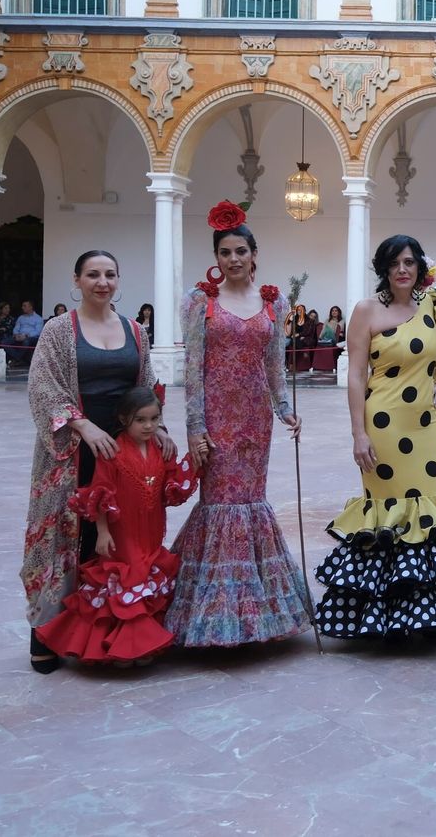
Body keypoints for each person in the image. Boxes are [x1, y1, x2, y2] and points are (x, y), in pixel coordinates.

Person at [314, 235, 436, 638]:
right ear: (384, 268)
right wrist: (358, 433)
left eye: (409, 262)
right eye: (394, 263)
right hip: (384, 425)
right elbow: (356, 375)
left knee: (431, 508)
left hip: (426, 427)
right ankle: (388, 614)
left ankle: (427, 614)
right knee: (390, 512)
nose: (402, 270)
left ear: (419, 268)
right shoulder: (366, 310)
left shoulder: (432, 305)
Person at [22, 250, 176, 674]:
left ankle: (104, 637)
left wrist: (157, 428)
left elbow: (145, 385)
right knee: (63, 538)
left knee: (113, 541)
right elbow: (42, 386)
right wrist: (83, 425)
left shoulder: (135, 330)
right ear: (77, 280)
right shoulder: (58, 330)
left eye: (110, 274)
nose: (102, 282)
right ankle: (46, 634)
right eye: (93, 274)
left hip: (123, 452)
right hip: (70, 452)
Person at [169, 203, 311, 648]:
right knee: (218, 503)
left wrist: (284, 407)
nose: (233, 259)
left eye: (241, 251)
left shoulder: (274, 302)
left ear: (254, 255)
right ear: (216, 257)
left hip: (254, 420)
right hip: (215, 419)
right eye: (225, 252)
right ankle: (212, 611)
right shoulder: (200, 301)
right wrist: (195, 427)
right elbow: (193, 368)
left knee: (251, 499)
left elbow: (273, 363)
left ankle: (256, 610)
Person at [36, 387, 198, 665]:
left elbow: (172, 488)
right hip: (122, 533)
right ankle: (122, 645)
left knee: (146, 574)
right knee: (127, 578)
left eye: (154, 419)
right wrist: (103, 532)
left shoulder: (162, 449)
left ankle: (144, 643)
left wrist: (195, 461)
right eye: (140, 420)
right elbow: (101, 492)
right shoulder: (112, 452)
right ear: (124, 419)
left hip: (150, 531)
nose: (148, 426)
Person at [9, 300, 45, 367]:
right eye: (23, 306)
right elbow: (16, 328)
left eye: (24, 306)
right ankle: (19, 359)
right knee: (4, 342)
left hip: (31, 337)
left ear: (30, 307)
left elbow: (38, 331)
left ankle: (17, 359)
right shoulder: (21, 318)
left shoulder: (38, 318)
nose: (22, 308)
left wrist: (26, 335)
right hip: (19, 336)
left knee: (26, 341)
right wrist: (16, 334)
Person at [286, 304, 319, 373]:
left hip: (308, 338)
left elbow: (308, 331)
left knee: (296, 343)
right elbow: (292, 330)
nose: (300, 311)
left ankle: (292, 364)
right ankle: (303, 352)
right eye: (298, 310)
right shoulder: (294, 319)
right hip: (297, 338)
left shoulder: (308, 320)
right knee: (294, 342)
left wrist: (299, 335)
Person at [314, 305, 345, 372]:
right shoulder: (327, 320)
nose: (334, 312)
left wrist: (333, 325)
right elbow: (323, 330)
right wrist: (320, 337)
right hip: (325, 337)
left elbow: (339, 330)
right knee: (325, 329)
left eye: (336, 311)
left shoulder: (341, 321)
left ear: (339, 312)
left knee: (328, 329)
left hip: (335, 338)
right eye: (332, 311)